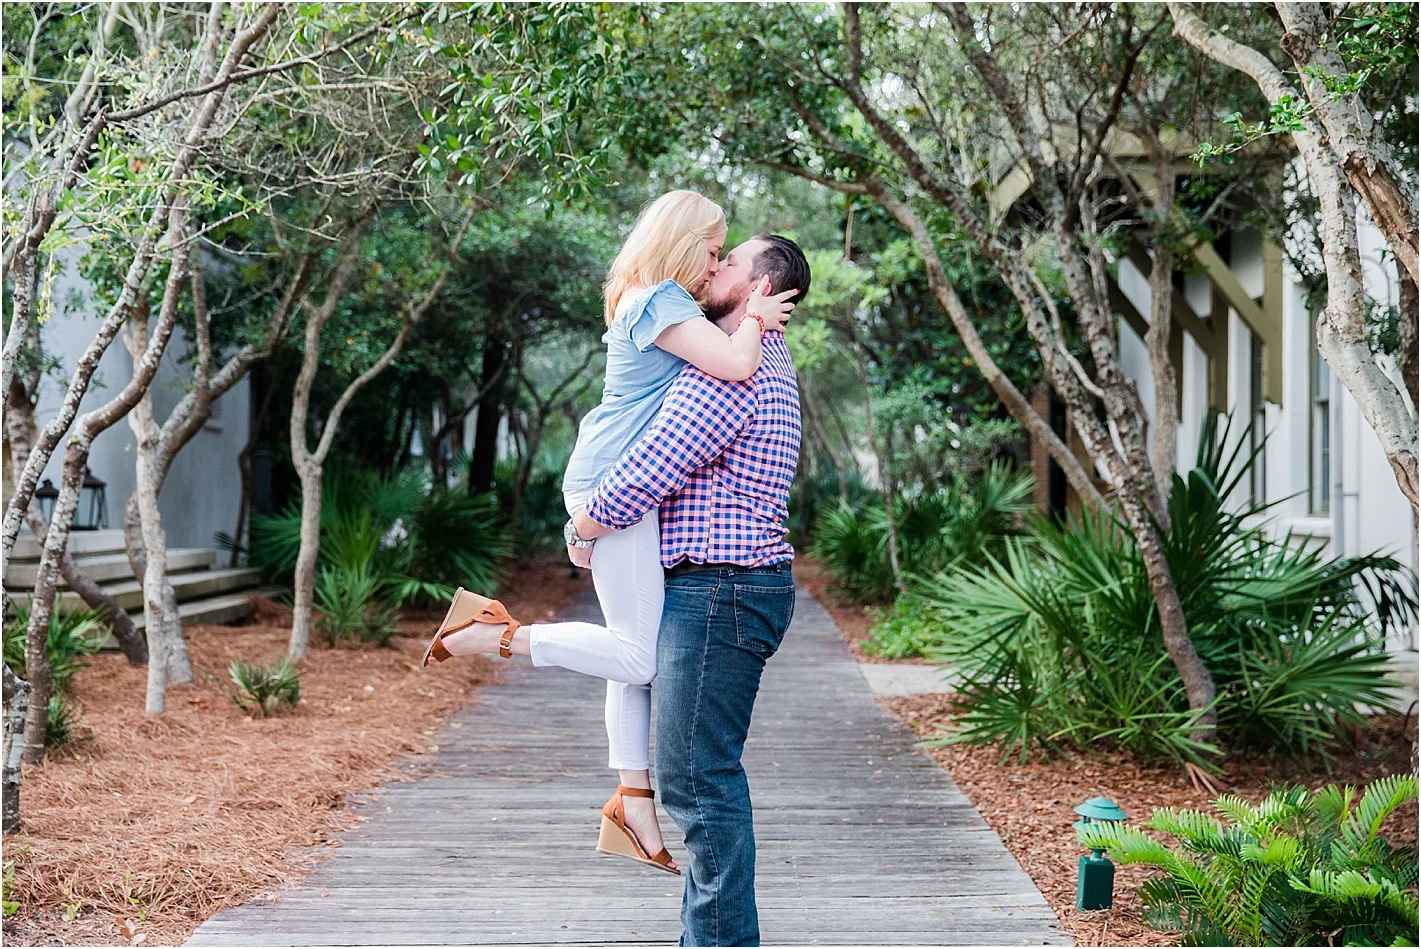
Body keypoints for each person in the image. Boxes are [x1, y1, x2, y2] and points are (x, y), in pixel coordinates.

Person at [421, 191, 798, 877]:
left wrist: (752, 315)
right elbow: (734, 365)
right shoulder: (660, 301)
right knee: (636, 657)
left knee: (634, 649)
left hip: (621, 489)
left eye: (724, 258)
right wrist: (754, 317)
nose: (714, 265)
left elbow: (729, 364)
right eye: (712, 250)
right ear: (681, 241)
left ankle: (634, 803)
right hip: (612, 484)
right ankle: (491, 633)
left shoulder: (667, 303)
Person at [569, 234, 810, 946]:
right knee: (699, 776)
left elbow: (650, 465)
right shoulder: (752, 355)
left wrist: (583, 524)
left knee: (698, 780)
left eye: (729, 262)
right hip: (730, 588)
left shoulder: (731, 369)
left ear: (760, 288)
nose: (713, 269)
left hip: (720, 590)